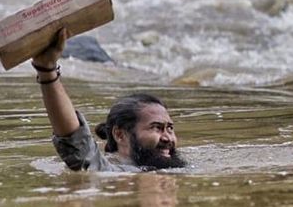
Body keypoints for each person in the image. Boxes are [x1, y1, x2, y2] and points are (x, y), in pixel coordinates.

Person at [32, 28, 186, 172]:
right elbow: (75, 140)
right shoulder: (110, 172)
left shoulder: (173, 168)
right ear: (120, 135)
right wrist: (47, 70)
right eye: (156, 128)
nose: (167, 138)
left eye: (170, 128)